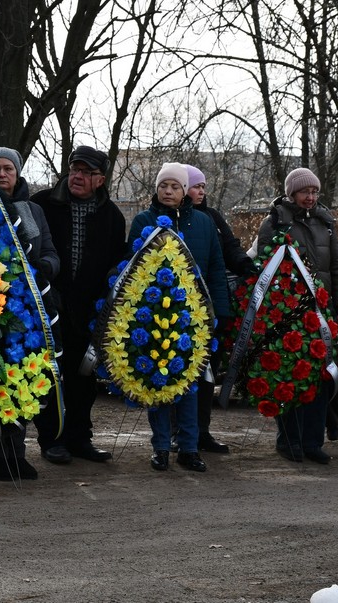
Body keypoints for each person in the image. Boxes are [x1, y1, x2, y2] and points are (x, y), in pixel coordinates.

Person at [127, 162, 230, 473]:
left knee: (190, 385)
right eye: (163, 186)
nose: (168, 191)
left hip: (192, 318)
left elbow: (216, 268)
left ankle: (189, 447)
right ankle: (160, 447)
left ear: (185, 192)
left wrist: (220, 311)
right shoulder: (144, 221)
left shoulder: (203, 223)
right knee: (158, 381)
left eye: (175, 186)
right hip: (153, 317)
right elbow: (131, 267)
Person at [30, 146, 125, 465]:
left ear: (100, 179)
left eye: (86, 172)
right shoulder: (42, 204)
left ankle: (80, 438)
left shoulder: (112, 216)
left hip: (89, 310)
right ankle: (52, 440)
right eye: (74, 170)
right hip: (47, 305)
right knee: (49, 375)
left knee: (83, 379)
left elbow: (116, 260)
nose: (78, 177)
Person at [253, 167, 338, 464]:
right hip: (288, 313)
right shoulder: (275, 222)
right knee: (290, 376)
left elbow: (337, 267)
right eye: (305, 191)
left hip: (322, 312)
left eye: (314, 192)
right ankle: (289, 440)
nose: (310, 197)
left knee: (320, 378)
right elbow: (264, 266)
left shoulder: (326, 223)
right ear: (291, 193)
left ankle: (312, 442)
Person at [0, 147, 59, 480]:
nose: (1, 174)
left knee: (22, 379)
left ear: (18, 173)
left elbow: (51, 252)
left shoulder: (34, 210)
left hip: (27, 312)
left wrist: (43, 267)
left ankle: (17, 453)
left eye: (7, 168)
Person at [184, 164, 256, 454]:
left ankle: (202, 431)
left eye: (203, 186)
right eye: (196, 186)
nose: (201, 191)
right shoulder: (172, 217)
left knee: (207, 372)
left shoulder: (212, 218)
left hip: (210, 306)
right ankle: (179, 432)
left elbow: (230, 247)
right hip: (178, 307)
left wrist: (246, 265)